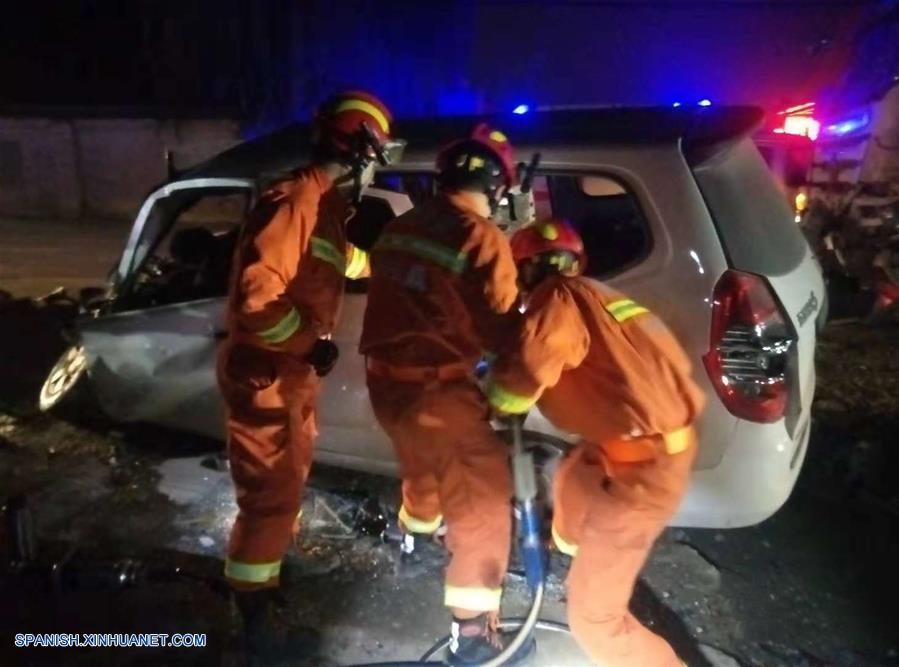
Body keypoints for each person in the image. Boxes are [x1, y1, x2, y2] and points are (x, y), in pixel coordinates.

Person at [217, 90, 400, 664]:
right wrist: (306, 342)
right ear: (359, 149)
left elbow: (350, 262)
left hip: (290, 373)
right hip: (268, 372)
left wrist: (405, 262)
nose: (373, 169)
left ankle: (263, 587)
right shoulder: (296, 202)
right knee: (270, 496)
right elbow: (257, 299)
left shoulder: (325, 211)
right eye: (374, 156)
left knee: (286, 485)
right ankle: (252, 618)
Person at [487, 219, 705, 667]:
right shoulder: (596, 296)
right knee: (571, 480)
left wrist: (490, 406)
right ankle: (574, 549)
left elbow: (524, 374)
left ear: (525, 269)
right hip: (627, 450)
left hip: (641, 472)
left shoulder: (557, 299)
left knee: (595, 622)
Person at [360, 124, 530, 665]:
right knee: (480, 503)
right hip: (437, 388)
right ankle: (473, 636)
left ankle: (412, 540)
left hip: (387, 386)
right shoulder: (481, 238)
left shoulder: (404, 225)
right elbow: (503, 332)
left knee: (422, 468)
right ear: (499, 187)